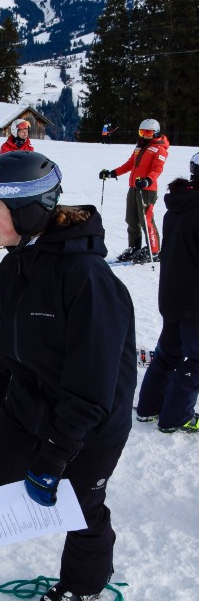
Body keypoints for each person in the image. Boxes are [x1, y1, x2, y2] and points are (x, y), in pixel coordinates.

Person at [0, 151, 135, 601]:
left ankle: (85, 583)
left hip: (91, 418)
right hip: (31, 400)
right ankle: (57, 493)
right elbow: (9, 345)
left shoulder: (87, 279)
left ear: (27, 211)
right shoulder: (9, 271)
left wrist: (55, 456)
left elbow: (93, 384)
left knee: (80, 502)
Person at [136, 152, 199, 433]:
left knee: (168, 354)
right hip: (193, 301)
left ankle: (149, 408)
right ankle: (177, 416)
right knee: (196, 361)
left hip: (173, 296)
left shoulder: (180, 204)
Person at [99, 118, 169, 264]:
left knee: (146, 220)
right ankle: (134, 247)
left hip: (147, 190)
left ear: (155, 133)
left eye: (148, 133)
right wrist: (112, 173)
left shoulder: (159, 149)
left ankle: (154, 251)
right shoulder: (140, 147)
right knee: (131, 219)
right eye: (142, 132)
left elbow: (157, 169)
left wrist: (147, 180)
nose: (144, 135)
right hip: (134, 188)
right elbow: (130, 164)